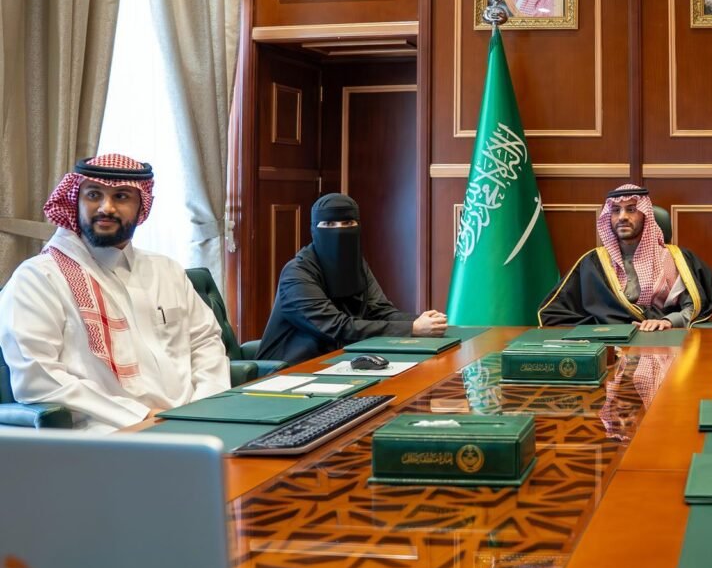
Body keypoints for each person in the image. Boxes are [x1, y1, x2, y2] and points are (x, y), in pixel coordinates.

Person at [0, 154, 230, 433]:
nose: (105, 208)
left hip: (194, 424)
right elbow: (38, 378)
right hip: (106, 433)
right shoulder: (39, 278)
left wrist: (204, 410)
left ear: (141, 206)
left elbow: (205, 342)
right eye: (93, 195)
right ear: (76, 200)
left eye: (121, 197)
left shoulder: (166, 270)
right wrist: (144, 416)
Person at [257, 193, 447, 364]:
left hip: (340, 363)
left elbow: (380, 311)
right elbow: (336, 327)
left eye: (348, 223)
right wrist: (412, 328)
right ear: (314, 229)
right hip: (287, 371)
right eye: (329, 225)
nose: (339, 231)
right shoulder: (296, 273)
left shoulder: (356, 265)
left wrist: (426, 321)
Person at [538, 184, 712, 330]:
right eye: (616, 210)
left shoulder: (674, 258)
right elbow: (555, 312)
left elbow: (694, 305)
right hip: (609, 345)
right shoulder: (594, 262)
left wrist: (669, 321)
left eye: (631, 209)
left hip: (661, 340)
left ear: (646, 215)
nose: (622, 217)